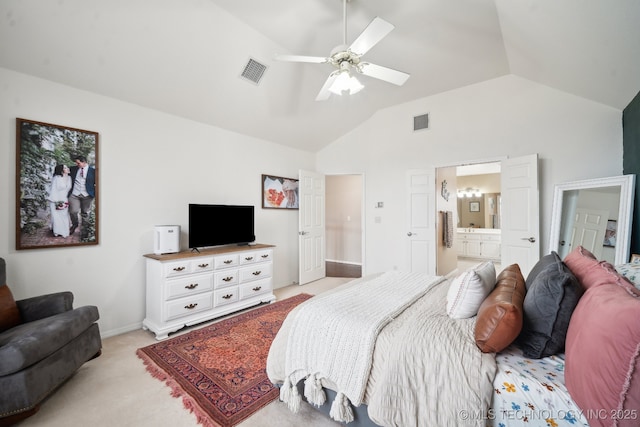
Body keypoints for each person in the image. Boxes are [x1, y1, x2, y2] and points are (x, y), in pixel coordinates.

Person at [68, 155, 96, 239]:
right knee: (73, 211)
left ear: (84, 162)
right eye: (76, 163)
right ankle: (74, 224)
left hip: (87, 195)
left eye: (78, 163)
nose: (77, 164)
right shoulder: (73, 169)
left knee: (85, 213)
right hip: (74, 194)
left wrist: (94, 193)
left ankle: (84, 231)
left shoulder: (93, 171)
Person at [47, 164, 72, 237]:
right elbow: (53, 190)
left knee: (64, 215)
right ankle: (57, 231)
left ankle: (64, 230)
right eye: (65, 168)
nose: (67, 168)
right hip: (56, 199)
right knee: (56, 216)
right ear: (61, 170)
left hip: (65, 198)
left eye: (67, 167)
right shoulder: (56, 178)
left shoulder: (69, 178)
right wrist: (56, 202)